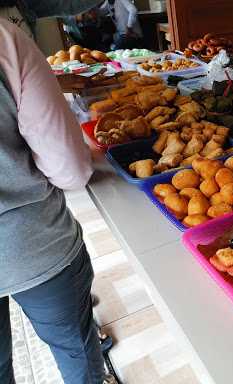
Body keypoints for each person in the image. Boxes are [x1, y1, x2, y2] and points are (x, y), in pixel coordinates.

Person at [0, 19, 115, 384]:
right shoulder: (4, 38)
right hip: (32, 243)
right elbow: (69, 169)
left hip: (28, 244)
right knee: (74, 348)